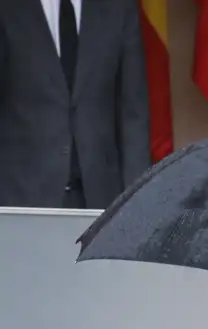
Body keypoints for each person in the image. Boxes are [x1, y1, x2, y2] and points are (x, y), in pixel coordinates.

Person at [0, 0, 151, 209]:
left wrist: (139, 203)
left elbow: (133, 116)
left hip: (103, 202)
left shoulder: (119, 7)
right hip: (21, 200)